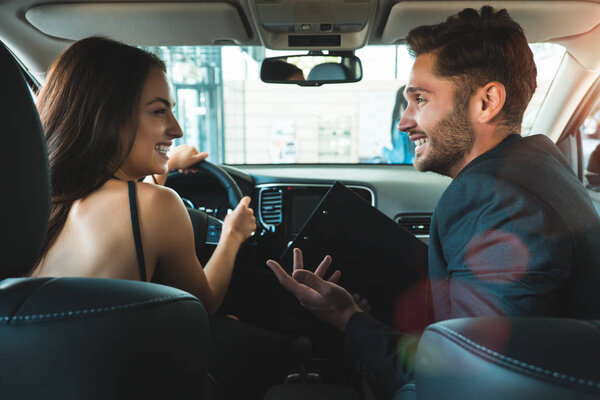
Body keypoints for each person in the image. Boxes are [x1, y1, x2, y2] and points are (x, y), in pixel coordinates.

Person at [266, 6, 600, 399]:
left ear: (486, 101)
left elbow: (469, 375)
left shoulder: (488, 196)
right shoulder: (542, 166)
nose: (404, 121)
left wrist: (346, 320)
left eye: (420, 100)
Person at [31, 37, 289, 399]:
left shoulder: (31, 204)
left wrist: (162, 168)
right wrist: (232, 234)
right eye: (159, 111)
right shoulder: (158, 205)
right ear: (109, 115)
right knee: (258, 340)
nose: (177, 129)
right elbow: (203, 305)